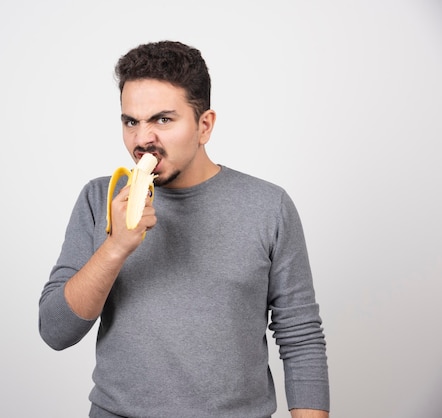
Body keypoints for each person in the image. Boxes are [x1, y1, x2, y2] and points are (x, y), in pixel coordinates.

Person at [38, 40, 330, 418]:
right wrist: (115, 247)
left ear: (204, 125)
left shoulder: (268, 206)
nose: (143, 140)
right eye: (131, 122)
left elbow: (300, 336)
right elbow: (55, 331)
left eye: (162, 119)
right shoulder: (101, 199)